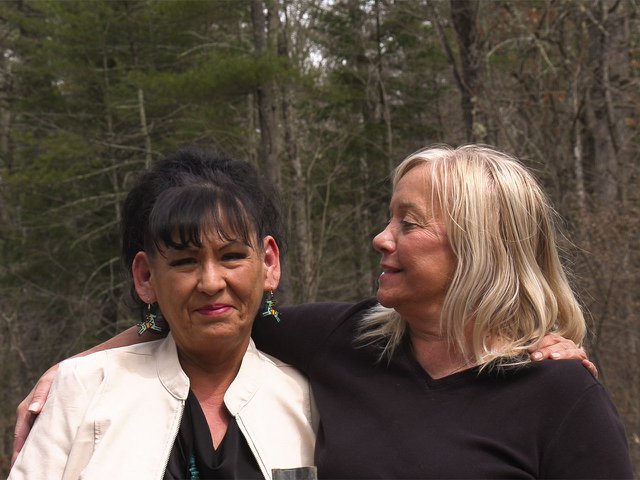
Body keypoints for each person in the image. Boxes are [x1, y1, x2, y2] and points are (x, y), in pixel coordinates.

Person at [12, 145, 624, 478]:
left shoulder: (560, 394)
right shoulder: (346, 342)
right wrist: (71, 371)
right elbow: (211, 310)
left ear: (480, 248)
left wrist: (551, 353)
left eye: (408, 224)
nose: (381, 238)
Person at [8, 148, 317, 479]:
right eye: (184, 261)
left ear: (269, 263)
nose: (211, 283)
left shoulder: (306, 399)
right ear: (145, 276)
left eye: (232, 256)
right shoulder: (83, 391)